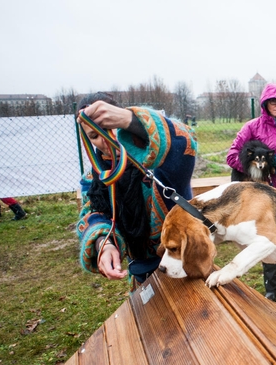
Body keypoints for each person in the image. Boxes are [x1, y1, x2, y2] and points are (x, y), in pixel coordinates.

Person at [76, 92, 197, 290]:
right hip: (142, 276)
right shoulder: (97, 177)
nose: (105, 139)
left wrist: (129, 119)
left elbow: (186, 142)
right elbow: (91, 214)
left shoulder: (156, 159)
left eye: (110, 127)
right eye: (94, 135)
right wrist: (103, 244)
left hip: (187, 265)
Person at [226, 83, 276, 308]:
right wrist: (258, 165)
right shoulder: (252, 127)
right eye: (273, 101)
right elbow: (232, 155)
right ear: (265, 103)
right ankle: (271, 289)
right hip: (264, 195)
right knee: (266, 240)